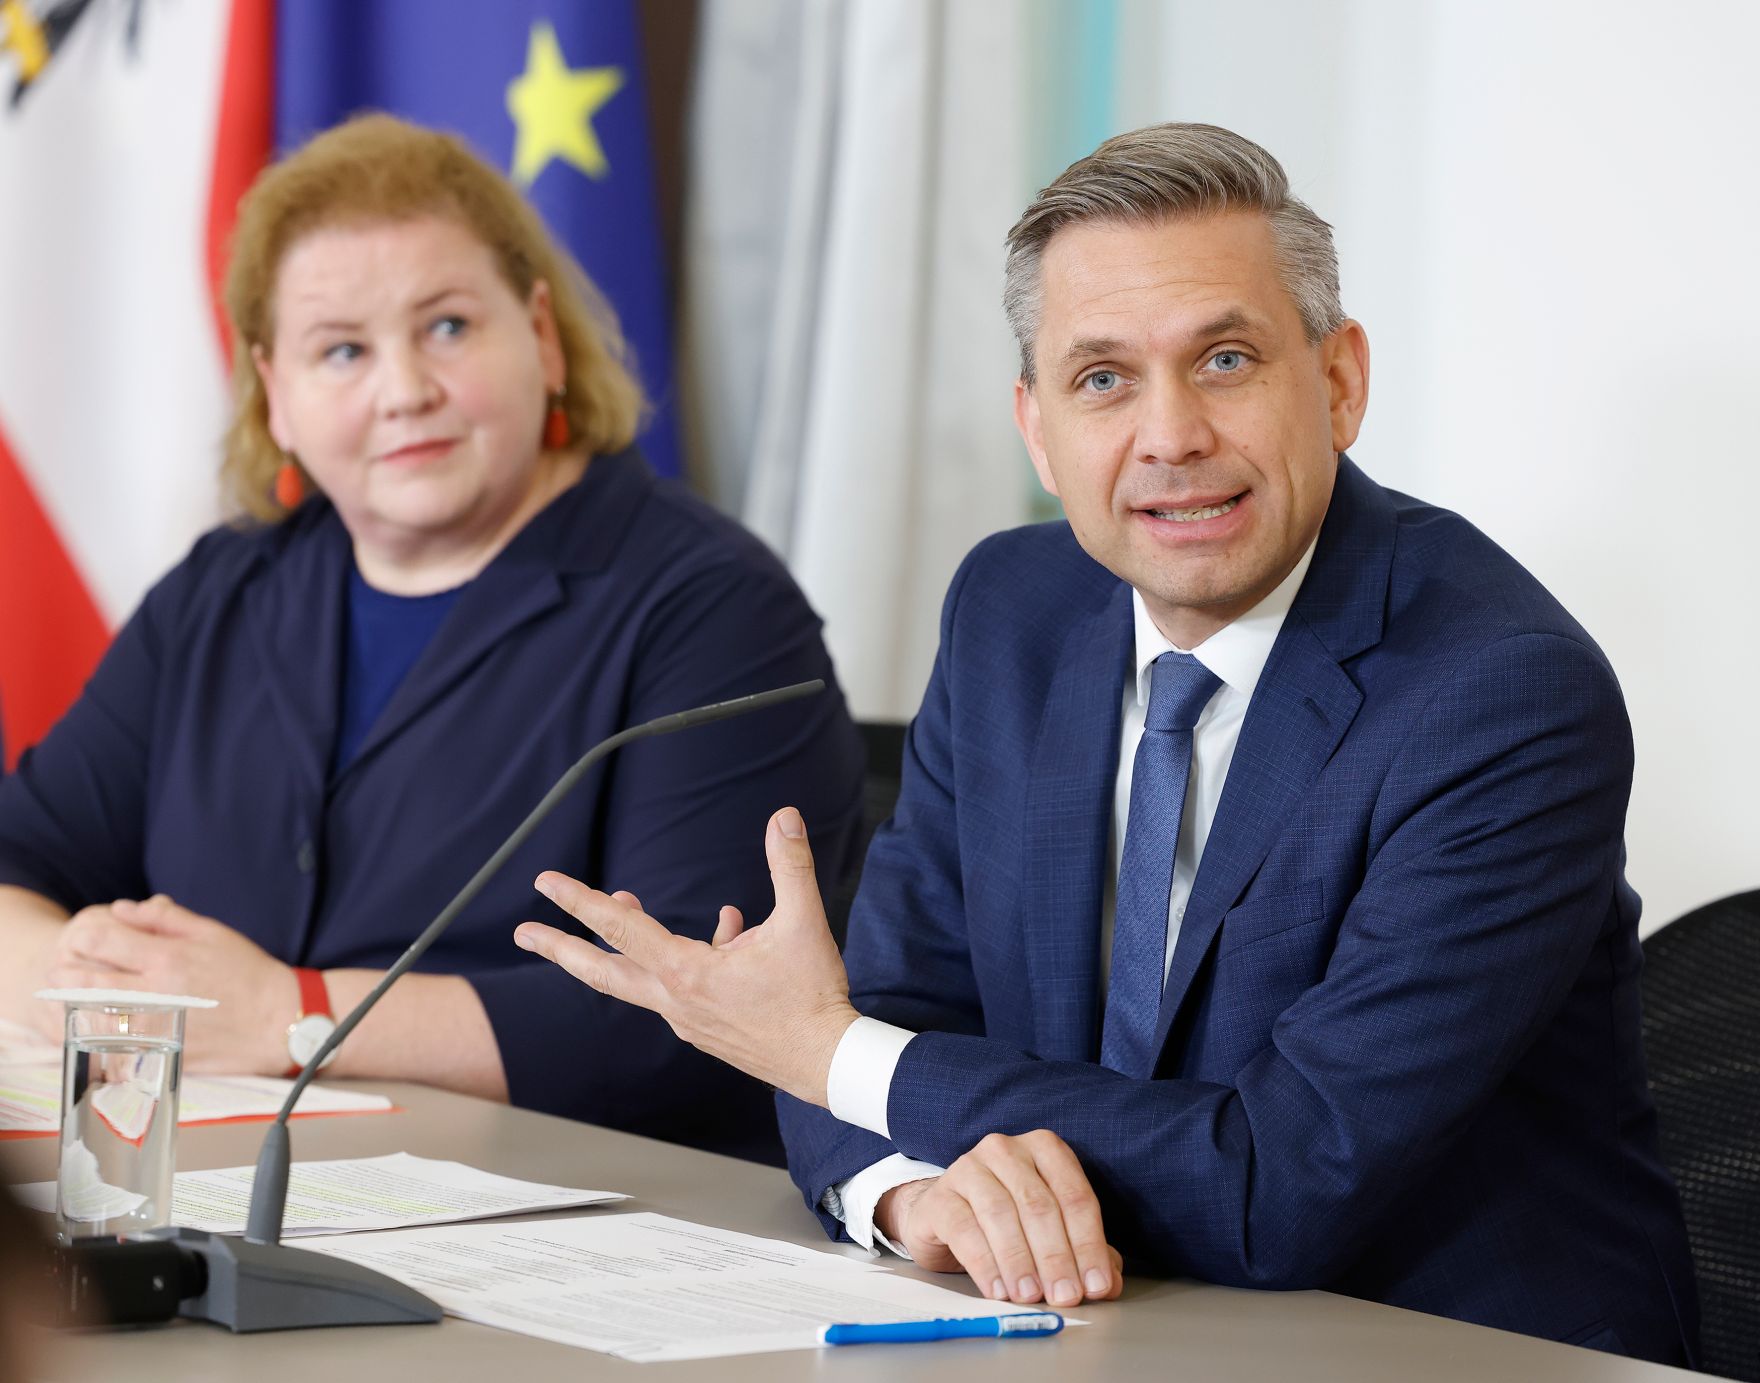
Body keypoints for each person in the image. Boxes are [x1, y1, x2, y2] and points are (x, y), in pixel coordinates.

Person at [511, 123, 1700, 1362]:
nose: (1169, 435)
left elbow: (1276, 1184)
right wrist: (912, 1195)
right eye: (1101, 379)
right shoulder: (1009, 612)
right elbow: (886, 1014)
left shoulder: (1501, 696)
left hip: (1447, 1343)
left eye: (1225, 359)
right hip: (1100, 1328)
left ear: (1338, 382)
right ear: (1036, 427)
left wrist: (832, 1056)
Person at [0, 114, 863, 1163]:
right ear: (275, 394)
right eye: (342, 350)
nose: (403, 390)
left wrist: (291, 1012)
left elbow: (699, 1014)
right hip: (228, 1183)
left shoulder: (711, 606)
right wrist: (83, 978)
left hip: (586, 1211)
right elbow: (19, 862)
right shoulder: (219, 593)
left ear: (539, 336)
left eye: (448, 327)